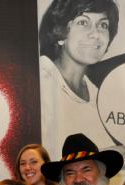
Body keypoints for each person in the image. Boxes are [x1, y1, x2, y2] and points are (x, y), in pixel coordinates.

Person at [38, 0, 119, 153]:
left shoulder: (96, 94)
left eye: (103, 25)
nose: (95, 34)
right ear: (60, 32)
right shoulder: (39, 83)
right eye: (83, 23)